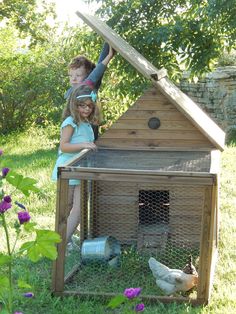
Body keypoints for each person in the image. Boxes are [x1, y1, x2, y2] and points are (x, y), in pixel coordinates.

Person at [52, 85, 99, 242]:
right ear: (74, 105)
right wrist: (84, 145)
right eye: (82, 105)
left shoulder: (86, 123)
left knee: (79, 209)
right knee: (65, 208)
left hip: (81, 171)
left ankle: (64, 241)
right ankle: (59, 243)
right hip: (68, 169)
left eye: (89, 106)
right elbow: (64, 146)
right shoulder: (70, 122)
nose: (86, 109)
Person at [64, 43, 115, 139]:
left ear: (87, 76)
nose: (73, 79)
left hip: (90, 129)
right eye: (70, 76)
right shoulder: (74, 90)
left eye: (78, 75)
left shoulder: (89, 85)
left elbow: (97, 72)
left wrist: (108, 46)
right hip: (77, 134)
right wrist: (109, 55)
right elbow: (96, 73)